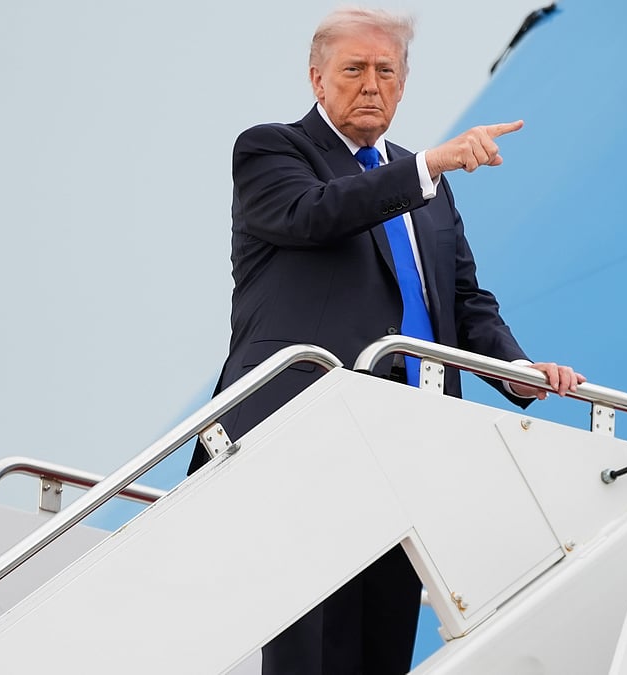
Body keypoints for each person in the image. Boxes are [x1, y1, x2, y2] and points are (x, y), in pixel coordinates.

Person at [187, 6, 585, 674]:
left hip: (410, 438)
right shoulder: (271, 151)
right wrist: (428, 164)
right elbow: (315, 216)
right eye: (353, 69)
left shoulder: (426, 183)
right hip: (302, 429)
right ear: (316, 79)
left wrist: (516, 369)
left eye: (386, 70)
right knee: (309, 637)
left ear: (404, 83)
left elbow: (463, 301)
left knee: (384, 632)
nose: (371, 84)